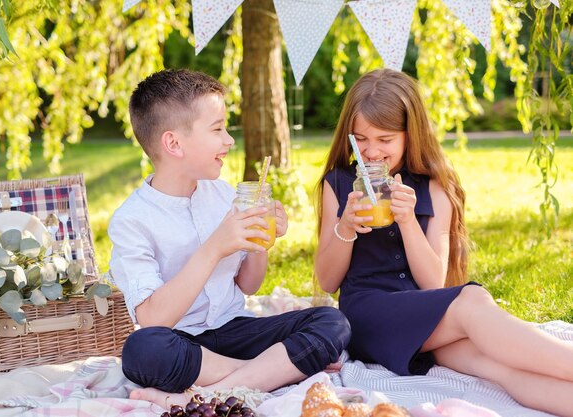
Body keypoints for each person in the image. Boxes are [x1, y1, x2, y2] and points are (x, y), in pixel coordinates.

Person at [314, 68, 573, 417]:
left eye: (385, 139)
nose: (371, 151)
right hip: (368, 318)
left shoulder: (435, 186)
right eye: (360, 138)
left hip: (427, 321)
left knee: (498, 368)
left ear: (411, 134)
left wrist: (408, 221)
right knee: (471, 299)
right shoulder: (339, 183)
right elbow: (328, 281)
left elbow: (433, 282)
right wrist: (345, 225)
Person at [108, 68, 351, 408]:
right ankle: (271, 372)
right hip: (183, 344)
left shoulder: (224, 195)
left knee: (332, 321)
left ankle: (210, 393)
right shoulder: (132, 220)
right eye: (217, 128)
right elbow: (152, 319)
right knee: (141, 350)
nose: (229, 140)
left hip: (236, 330)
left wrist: (260, 244)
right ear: (174, 143)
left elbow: (249, 286)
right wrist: (214, 247)